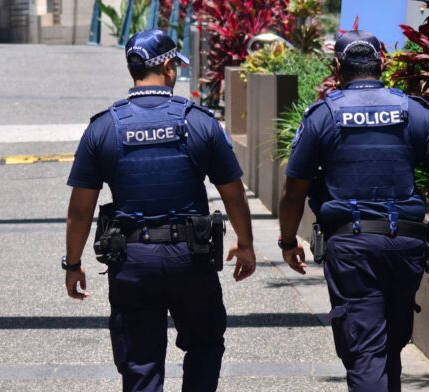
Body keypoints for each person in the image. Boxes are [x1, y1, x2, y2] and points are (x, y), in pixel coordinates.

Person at [277, 30, 429, 391]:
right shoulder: (413, 112)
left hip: (352, 249)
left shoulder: (322, 116)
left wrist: (288, 241)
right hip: (406, 247)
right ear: (382, 63)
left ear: (337, 67)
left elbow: (294, 192)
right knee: (390, 346)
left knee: (365, 351)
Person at [63, 29, 256, 392]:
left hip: (133, 262)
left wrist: (73, 264)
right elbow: (233, 194)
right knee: (204, 343)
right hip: (191, 259)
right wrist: (245, 243)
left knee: (140, 361)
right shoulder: (199, 122)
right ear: (168, 67)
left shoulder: (105, 127)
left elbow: (80, 211)